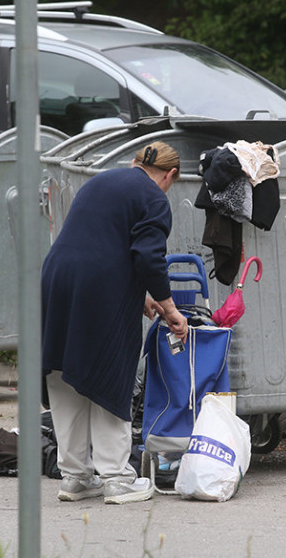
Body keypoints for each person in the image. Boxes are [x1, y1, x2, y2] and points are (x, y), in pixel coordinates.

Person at [41, 141, 188, 504]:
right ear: (169, 175)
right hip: (99, 288)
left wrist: (141, 296)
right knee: (110, 373)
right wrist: (170, 308)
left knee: (65, 371)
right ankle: (117, 478)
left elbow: (99, 243)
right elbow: (149, 257)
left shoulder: (100, 182)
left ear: (135, 163)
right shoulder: (154, 197)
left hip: (57, 279)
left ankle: (74, 477)